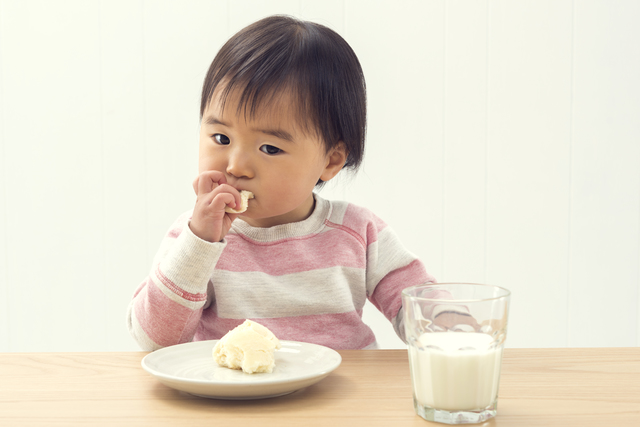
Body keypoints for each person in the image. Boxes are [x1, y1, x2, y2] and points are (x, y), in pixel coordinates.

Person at [127, 15, 474, 351]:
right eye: (221, 138)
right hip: (236, 404)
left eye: (270, 148)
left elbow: (417, 302)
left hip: (342, 401)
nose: (236, 166)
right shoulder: (195, 241)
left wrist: (454, 331)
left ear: (331, 160)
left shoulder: (357, 232)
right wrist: (200, 243)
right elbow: (154, 341)